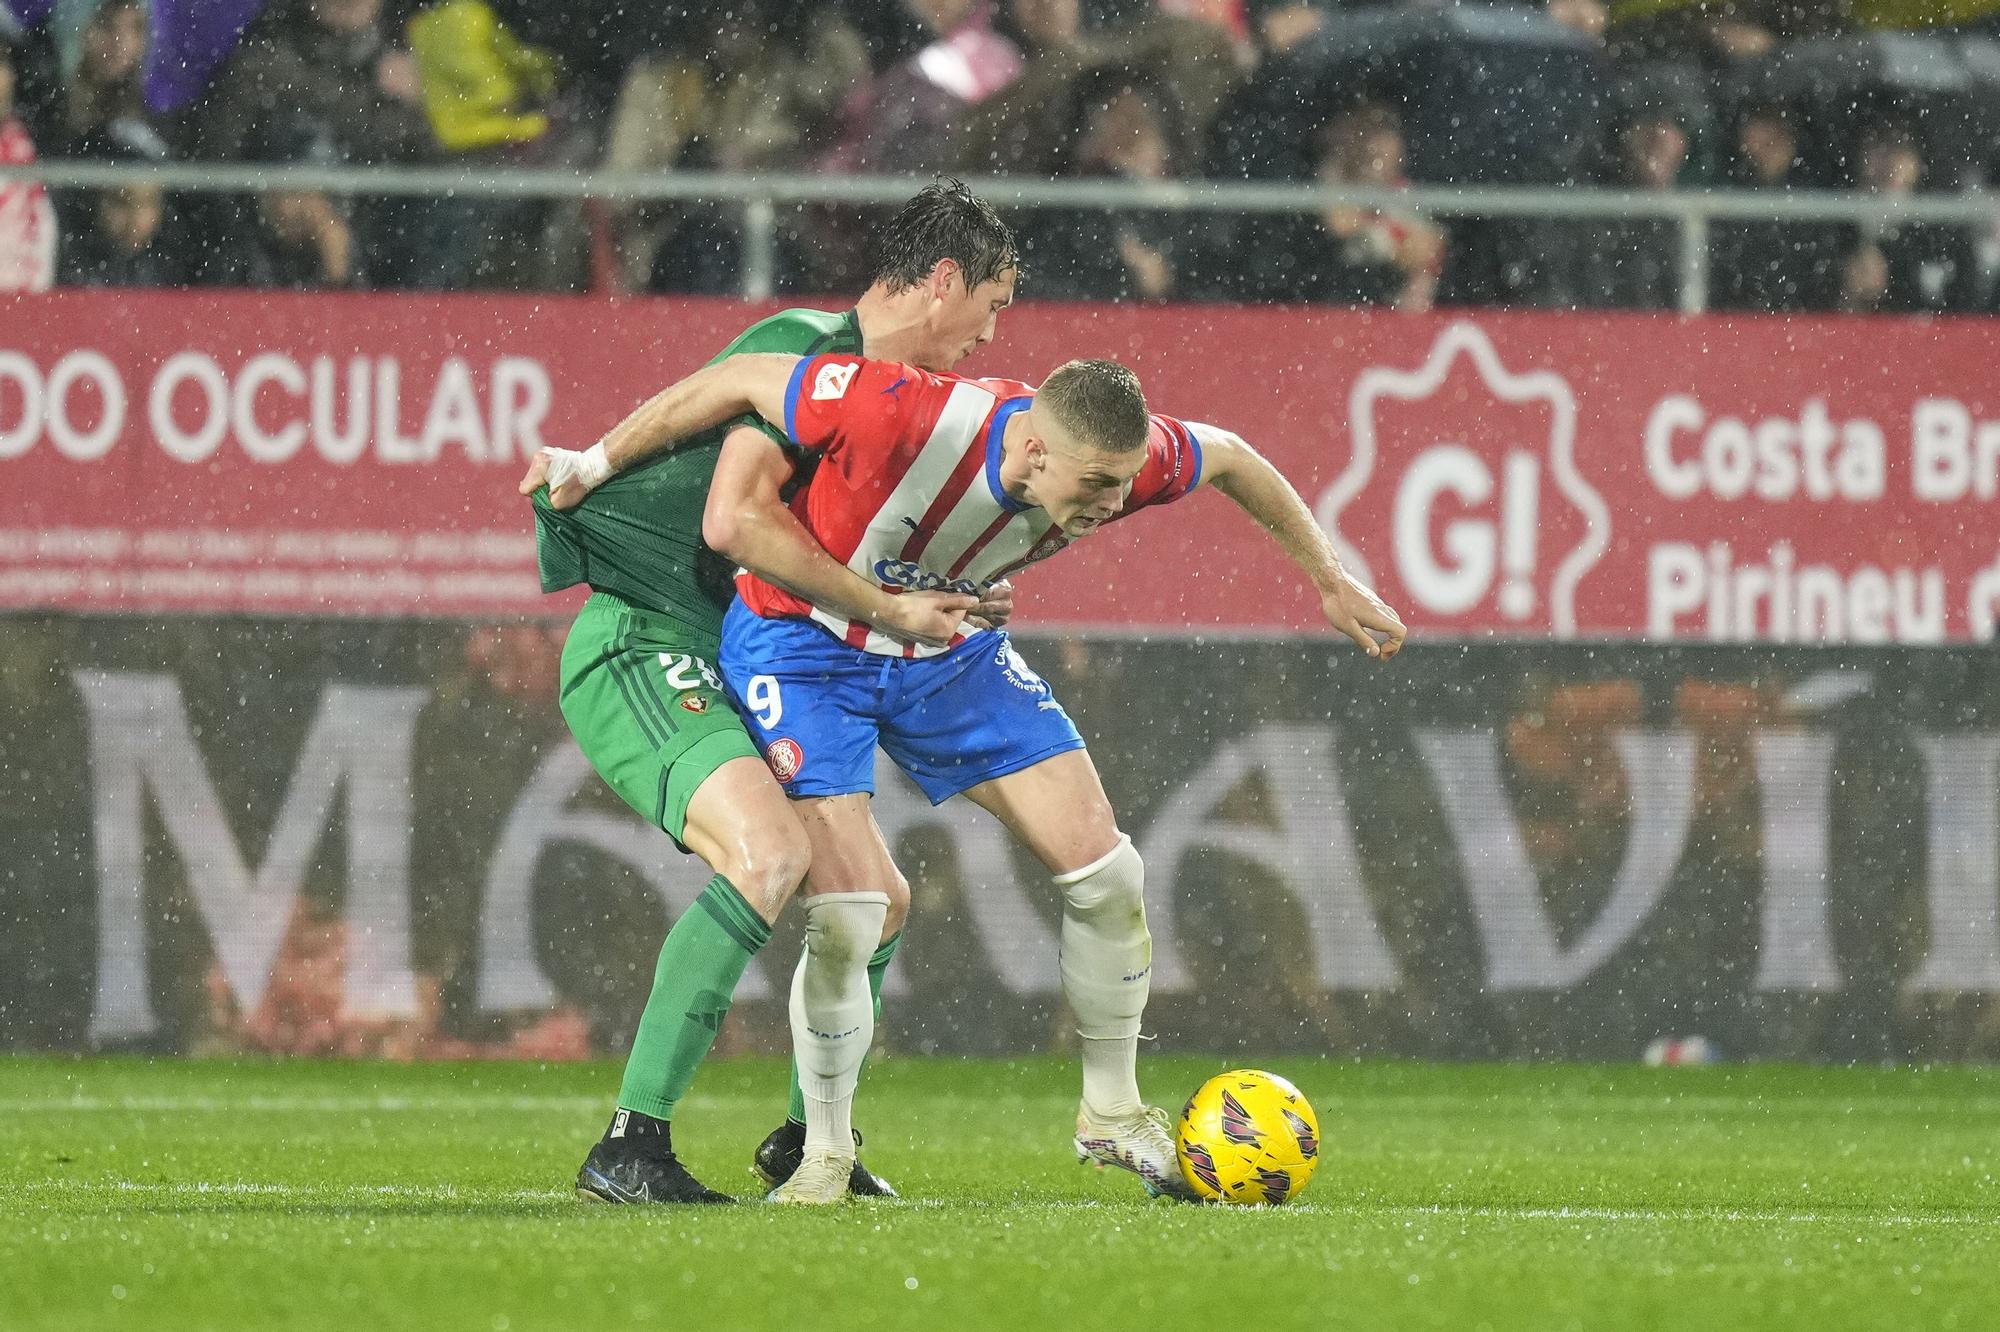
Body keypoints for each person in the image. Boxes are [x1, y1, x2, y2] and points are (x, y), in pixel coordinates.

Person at [542, 349, 1405, 1203]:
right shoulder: (903, 410)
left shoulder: (1118, 461)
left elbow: (1232, 456)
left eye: (1123, 483)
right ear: (1033, 453)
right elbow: (737, 378)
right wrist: (596, 460)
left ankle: (1110, 1112)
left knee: (1109, 873)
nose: (1112, 505)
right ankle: (824, 1155)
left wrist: (1328, 577)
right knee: (852, 915)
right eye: (1097, 485)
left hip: (944, 654)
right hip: (802, 650)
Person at [516, 179, 1019, 1205]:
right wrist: (593, 463)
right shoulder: (812, 352)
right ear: (940, 282)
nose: (992, 333)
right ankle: (630, 1144)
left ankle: (809, 1140)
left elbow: (838, 555)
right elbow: (735, 516)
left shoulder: (886, 415)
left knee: (876, 903)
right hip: (643, 643)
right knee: (771, 855)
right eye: (993, 304)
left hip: (737, 658)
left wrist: (940, 594)